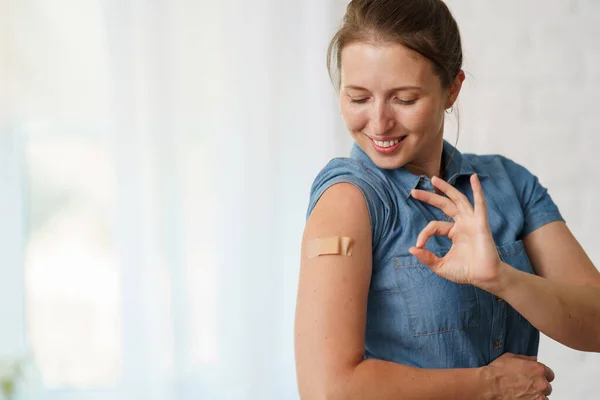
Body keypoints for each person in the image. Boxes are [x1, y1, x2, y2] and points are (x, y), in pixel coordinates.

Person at [293, 0, 600, 399]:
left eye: (404, 99)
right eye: (358, 98)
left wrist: (503, 280)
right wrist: (489, 386)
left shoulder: (509, 184)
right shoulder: (349, 201)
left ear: (452, 88)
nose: (379, 122)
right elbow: (327, 389)